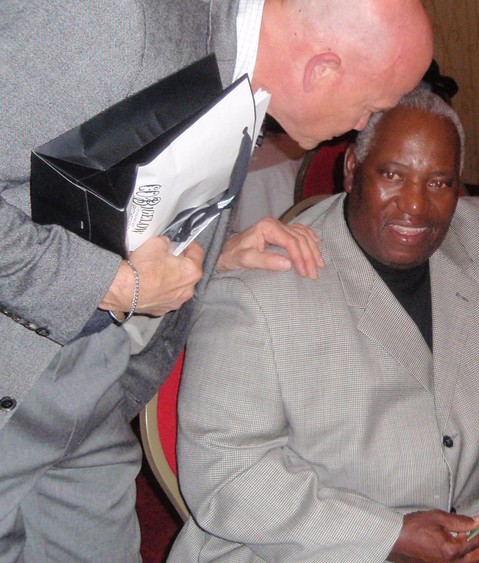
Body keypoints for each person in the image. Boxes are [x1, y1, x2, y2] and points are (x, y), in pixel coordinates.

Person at [0, 1, 433, 560]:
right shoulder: (114, 20)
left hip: (91, 389)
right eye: (369, 107)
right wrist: (117, 284)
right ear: (322, 69)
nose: (359, 127)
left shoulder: (237, 60)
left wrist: (211, 256)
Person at [167, 87, 479, 562]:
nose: (415, 205)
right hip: (322, 548)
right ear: (352, 169)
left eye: (439, 182)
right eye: (392, 175)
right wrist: (389, 536)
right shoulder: (257, 291)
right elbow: (227, 474)